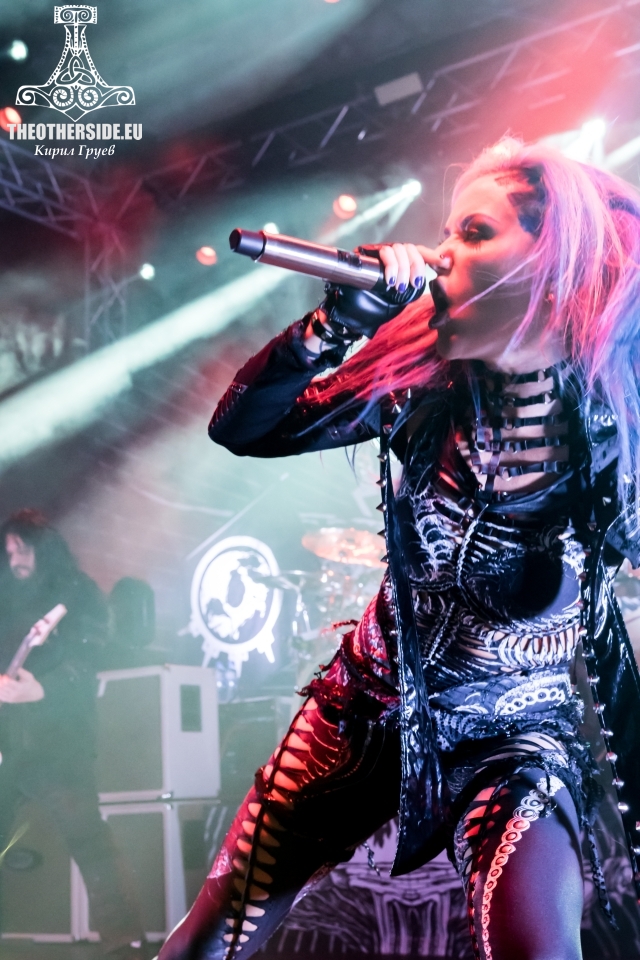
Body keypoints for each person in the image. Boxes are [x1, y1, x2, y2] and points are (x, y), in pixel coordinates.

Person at [158, 138, 640, 960]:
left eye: (475, 232)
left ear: (554, 265)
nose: (441, 251)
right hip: (366, 709)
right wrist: (332, 325)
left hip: (516, 735)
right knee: (210, 938)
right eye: (446, 230)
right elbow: (246, 427)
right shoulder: (422, 382)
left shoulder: (616, 423)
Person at [0, 509, 145, 959]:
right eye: (9, 551)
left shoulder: (77, 593)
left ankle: (125, 944)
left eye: (22, 549)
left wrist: (42, 689)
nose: (14, 559)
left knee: (88, 840)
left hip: (57, 743)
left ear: (43, 547)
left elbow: (91, 657)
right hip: (8, 741)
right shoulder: (5, 597)